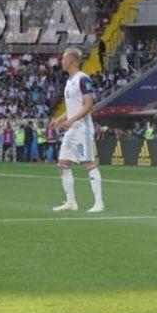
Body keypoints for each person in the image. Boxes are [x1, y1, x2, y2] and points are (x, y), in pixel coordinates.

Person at [50, 48, 104, 213]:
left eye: (64, 59)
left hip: (82, 129)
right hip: (71, 129)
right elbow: (74, 107)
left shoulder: (83, 79)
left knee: (88, 163)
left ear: (72, 61)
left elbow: (88, 105)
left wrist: (71, 120)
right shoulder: (69, 81)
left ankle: (99, 203)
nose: (62, 62)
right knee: (63, 164)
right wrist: (61, 118)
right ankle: (71, 202)